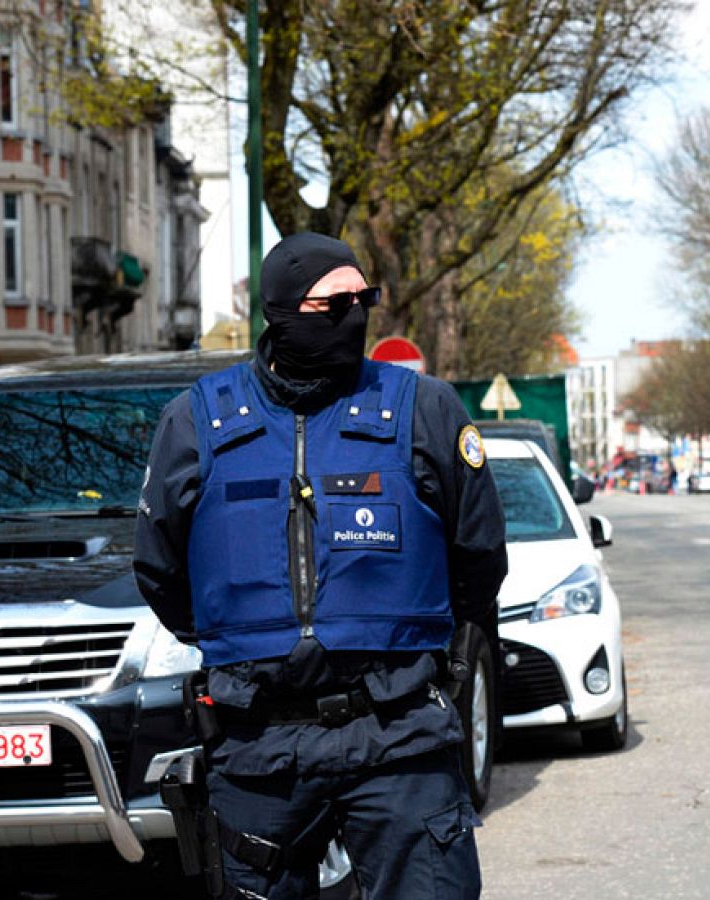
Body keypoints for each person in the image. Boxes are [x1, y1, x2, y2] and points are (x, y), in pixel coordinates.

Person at [135, 233, 508, 899]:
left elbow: (478, 558)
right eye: (332, 303)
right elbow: (161, 568)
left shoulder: (423, 408)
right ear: (280, 310)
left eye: (364, 299)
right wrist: (247, 640)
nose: (353, 315)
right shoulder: (198, 420)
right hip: (259, 745)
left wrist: (410, 635)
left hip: (399, 735)